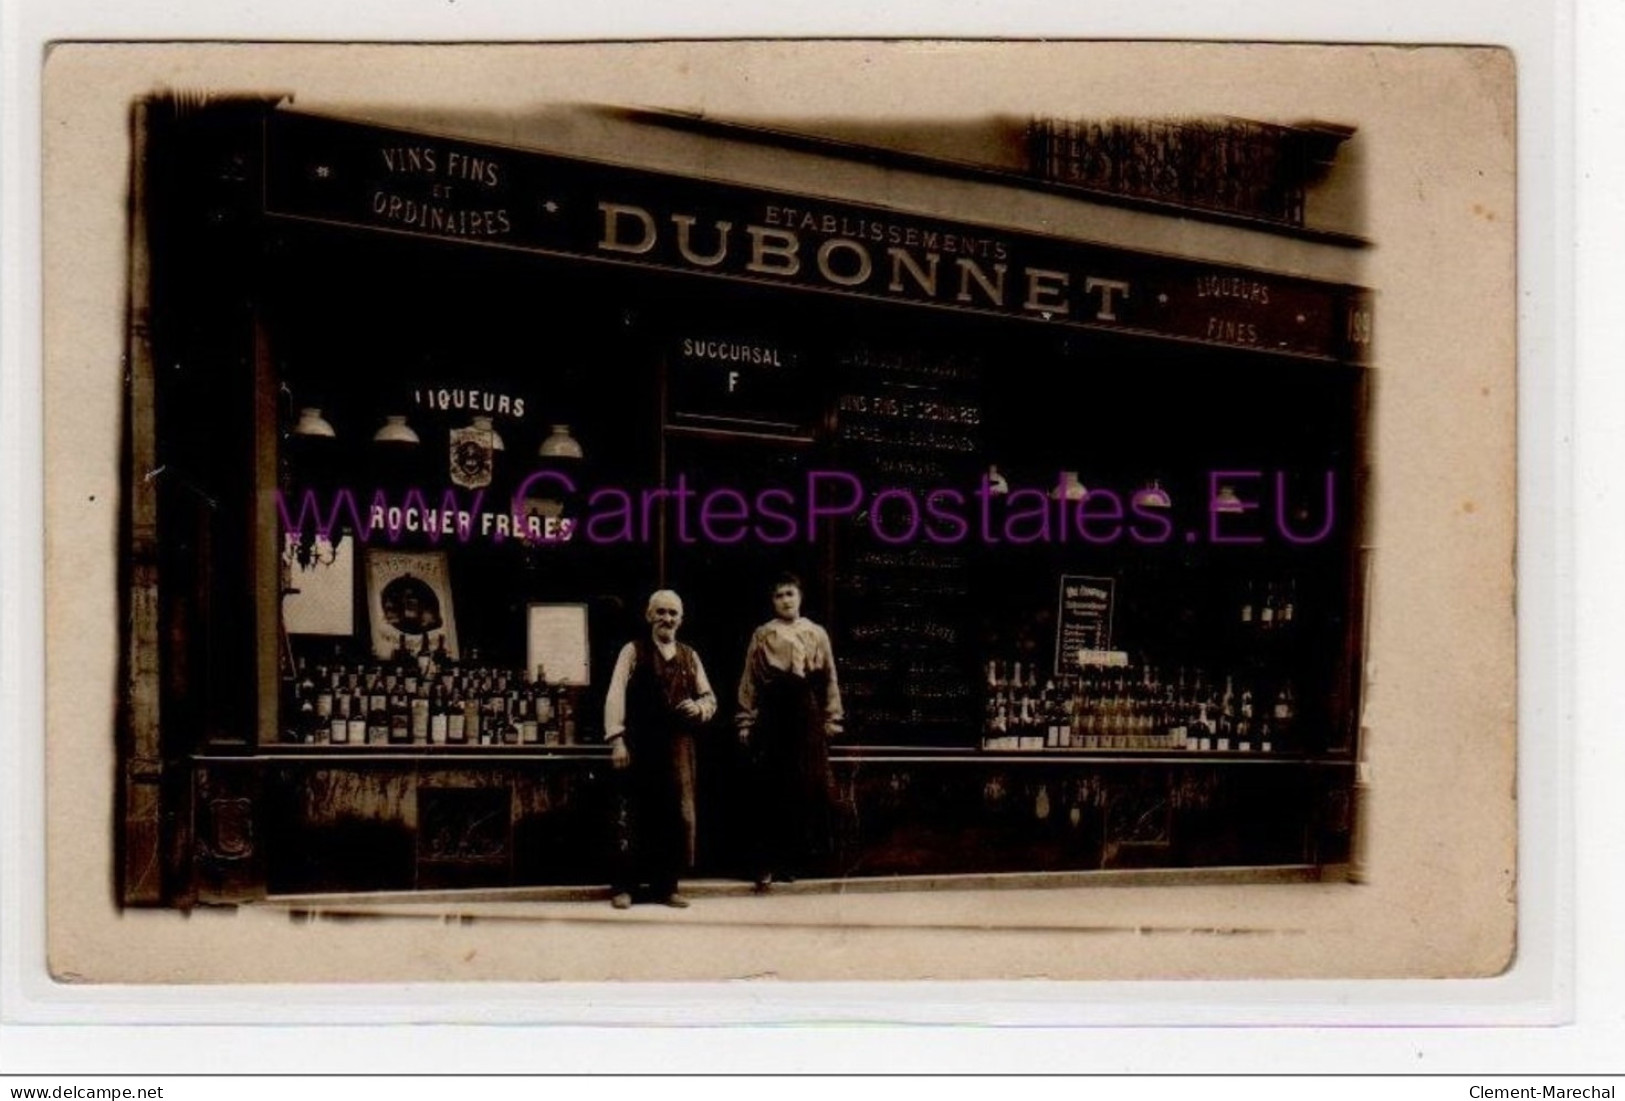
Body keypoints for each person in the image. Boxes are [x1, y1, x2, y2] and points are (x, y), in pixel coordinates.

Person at [603, 589, 717, 908]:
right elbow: (615, 695)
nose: (667, 618)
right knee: (633, 812)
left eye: (673, 613)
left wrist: (700, 709)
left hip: (678, 746)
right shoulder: (633, 651)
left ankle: (667, 886)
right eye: (661, 612)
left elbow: (710, 698)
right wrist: (617, 739)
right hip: (640, 742)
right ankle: (624, 887)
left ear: (681, 620)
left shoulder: (690, 655)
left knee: (674, 814)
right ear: (649, 615)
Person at [736, 573, 844, 887]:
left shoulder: (816, 633)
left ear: (800, 597)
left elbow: (829, 678)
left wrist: (831, 718)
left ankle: (792, 860)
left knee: (804, 785)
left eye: (790, 594)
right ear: (773, 601)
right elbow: (750, 679)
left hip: (805, 712)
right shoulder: (763, 634)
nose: (785, 600)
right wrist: (745, 719)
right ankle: (764, 864)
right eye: (779, 595)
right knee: (770, 786)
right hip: (773, 711)